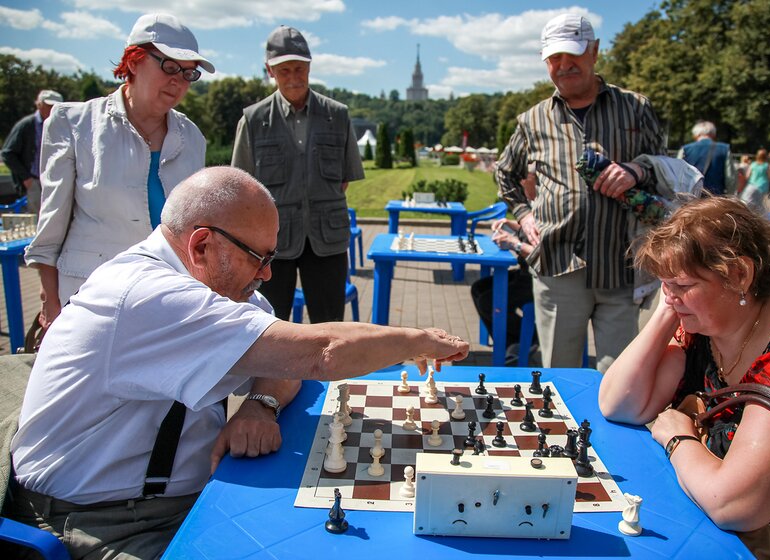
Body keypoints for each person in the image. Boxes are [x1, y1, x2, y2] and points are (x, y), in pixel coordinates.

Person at [6, 167, 469, 558]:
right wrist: (416, 341)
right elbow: (317, 352)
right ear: (202, 244)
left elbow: (282, 354)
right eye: (258, 257)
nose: (267, 273)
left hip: (184, 497)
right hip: (98, 521)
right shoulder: (150, 297)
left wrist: (260, 403)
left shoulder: (202, 283)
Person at [598, 196, 770, 558]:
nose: (671, 296)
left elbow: (736, 505)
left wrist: (678, 438)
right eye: (664, 284)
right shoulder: (706, 324)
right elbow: (620, 403)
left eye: (683, 284)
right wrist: (667, 311)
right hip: (707, 512)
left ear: (740, 275)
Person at [496, 13, 665, 372]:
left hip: (621, 264)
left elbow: (663, 167)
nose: (563, 65)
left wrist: (636, 170)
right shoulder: (533, 119)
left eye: (572, 54)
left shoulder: (635, 107)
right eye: (554, 58)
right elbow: (505, 173)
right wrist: (524, 216)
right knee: (560, 376)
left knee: (619, 378)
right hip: (559, 266)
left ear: (595, 51)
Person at [24, 13, 213, 331]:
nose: (178, 80)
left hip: (167, 296)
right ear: (134, 60)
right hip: (90, 298)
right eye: (168, 66)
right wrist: (49, 300)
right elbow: (51, 225)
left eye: (188, 73)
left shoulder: (192, 136)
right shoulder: (73, 123)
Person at [232, 25, 364, 324]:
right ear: (269, 70)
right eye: (284, 70)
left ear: (309, 67)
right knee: (270, 325)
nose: (293, 77)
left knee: (330, 325)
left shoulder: (338, 115)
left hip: (327, 240)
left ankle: (327, 374)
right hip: (271, 245)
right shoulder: (253, 120)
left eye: (299, 69)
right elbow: (242, 187)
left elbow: (342, 181)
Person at [470, 217, 537, 365]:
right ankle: (511, 343)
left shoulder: (548, 202)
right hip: (524, 272)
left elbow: (544, 252)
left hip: (540, 279)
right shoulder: (536, 204)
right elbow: (529, 231)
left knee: (488, 302)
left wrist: (515, 244)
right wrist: (511, 224)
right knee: (478, 288)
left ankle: (532, 337)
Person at [1, 89, 63, 214]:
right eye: (49, 106)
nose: (52, 110)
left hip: (54, 179)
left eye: (56, 106)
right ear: (39, 105)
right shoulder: (27, 125)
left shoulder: (60, 126)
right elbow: (8, 153)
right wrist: (26, 177)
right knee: (36, 218)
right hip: (34, 180)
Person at [676, 120, 736, 196]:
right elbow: (730, 178)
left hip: (690, 198)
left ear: (695, 135)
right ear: (713, 134)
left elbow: (676, 175)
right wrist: (730, 196)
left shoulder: (685, 149)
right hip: (715, 199)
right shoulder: (724, 149)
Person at [740, 148, 769, 213]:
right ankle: (760, 217)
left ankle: (747, 214)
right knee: (759, 202)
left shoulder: (753, 164)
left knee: (746, 200)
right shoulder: (766, 165)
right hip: (762, 186)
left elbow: (747, 175)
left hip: (752, 185)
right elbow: (769, 176)